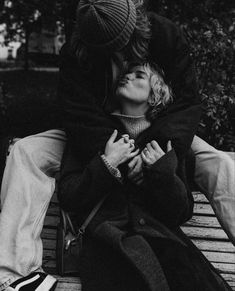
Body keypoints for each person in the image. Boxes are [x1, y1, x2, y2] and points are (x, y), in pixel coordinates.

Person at [0, 0, 234, 290]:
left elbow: (186, 103)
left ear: (135, 27)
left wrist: (153, 154)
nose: (122, 65)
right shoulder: (78, 51)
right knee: (25, 151)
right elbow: (77, 113)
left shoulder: (166, 35)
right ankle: (15, 275)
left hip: (159, 133)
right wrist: (118, 156)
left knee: (221, 164)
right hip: (96, 138)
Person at [58, 62, 232, 291]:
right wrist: (107, 164)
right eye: (126, 73)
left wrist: (162, 172)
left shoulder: (167, 140)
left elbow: (182, 211)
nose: (127, 77)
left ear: (154, 96)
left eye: (139, 75)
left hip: (165, 248)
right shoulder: (91, 134)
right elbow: (69, 195)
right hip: (109, 247)